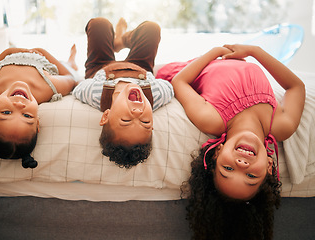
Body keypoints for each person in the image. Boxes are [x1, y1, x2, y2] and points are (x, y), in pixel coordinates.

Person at [156, 44, 305, 239]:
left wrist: (215, 52)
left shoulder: (211, 119)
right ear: (269, 166)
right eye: (251, 176)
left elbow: (180, 81)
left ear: (217, 153)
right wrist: (254, 51)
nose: (241, 164)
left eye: (228, 169)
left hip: (192, 65)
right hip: (234, 57)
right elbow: (296, 87)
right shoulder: (281, 125)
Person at [73, 17, 174, 168]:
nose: (137, 113)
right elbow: (169, 87)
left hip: (101, 67)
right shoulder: (156, 95)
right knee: (151, 28)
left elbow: (79, 88)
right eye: (145, 122)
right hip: (139, 66)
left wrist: (91, 78)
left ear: (106, 115)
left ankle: (115, 42)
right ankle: (123, 40)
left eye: (126, 120)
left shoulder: (96, 94)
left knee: (99, 24)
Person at [0, 46, 79, 169]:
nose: (19, 105)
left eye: (6, 112)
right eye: (27, 116)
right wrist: (43, 52)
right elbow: (70, 78)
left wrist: (8, 52)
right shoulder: (48, 88)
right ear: (37, 122)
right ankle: (71, 62)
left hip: (11, 54)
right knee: (66, 66)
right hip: (42, 58)